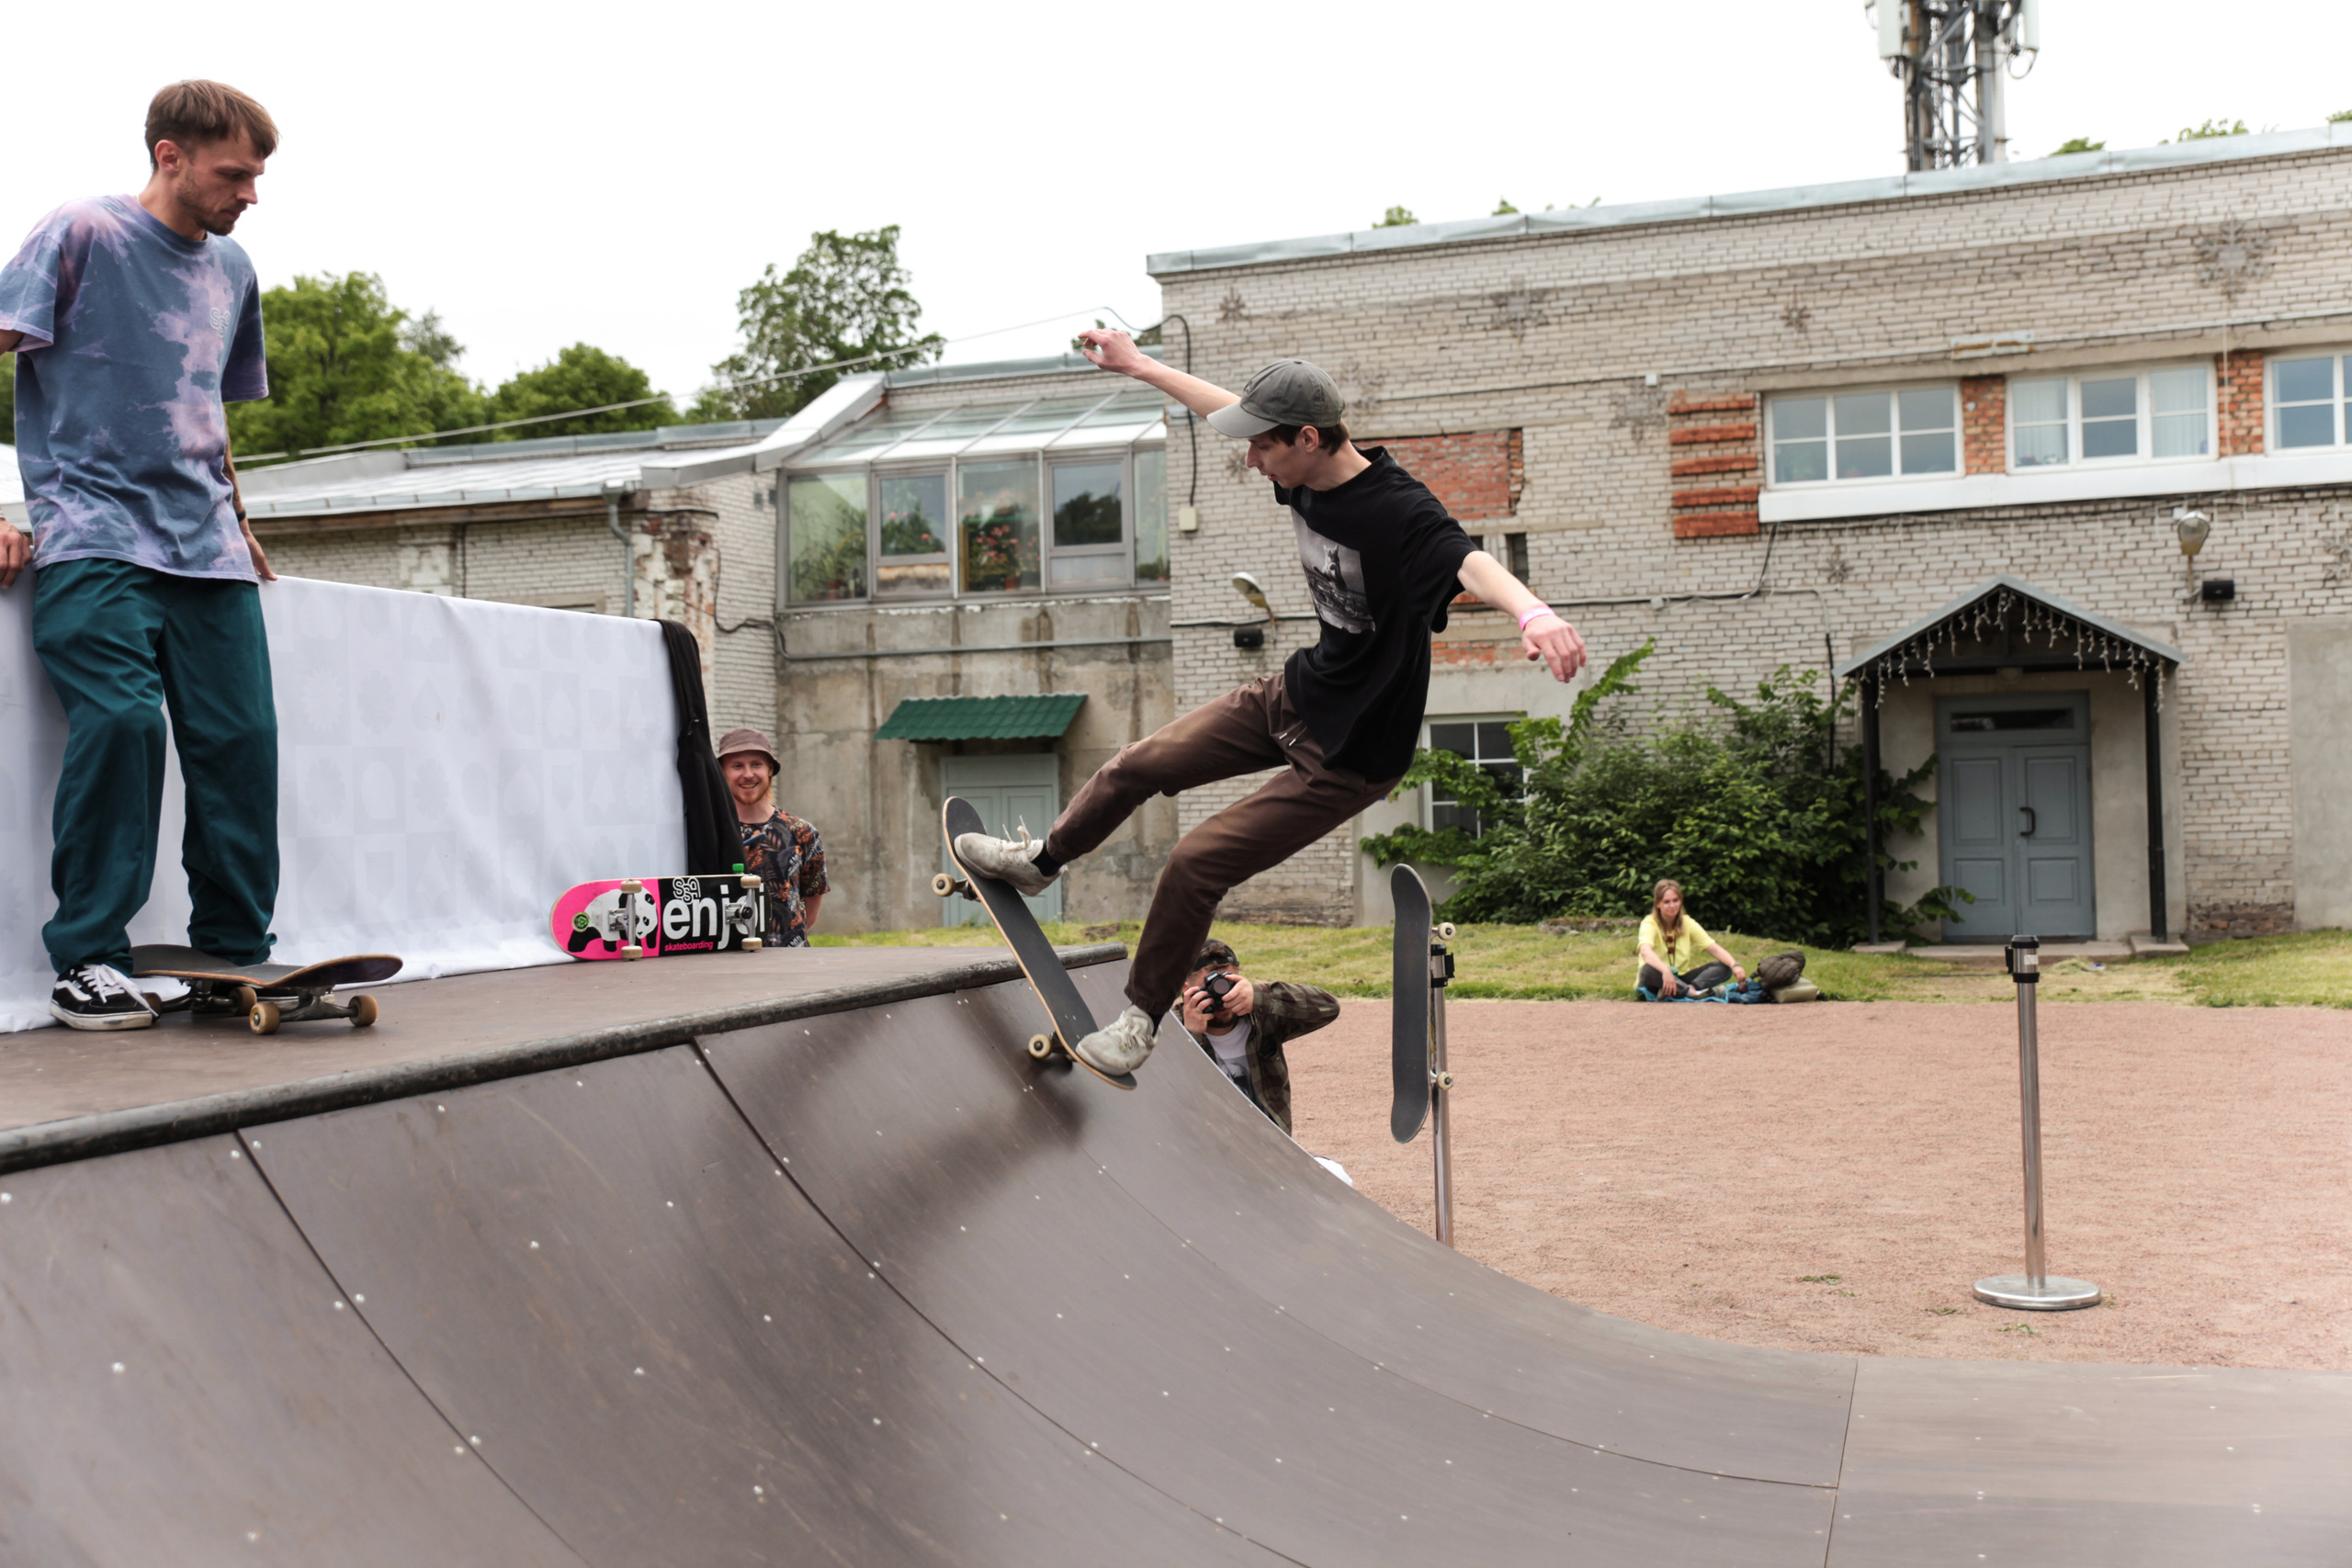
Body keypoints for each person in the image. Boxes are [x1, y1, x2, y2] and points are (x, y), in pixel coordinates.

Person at [956, 334, 1588, 1077]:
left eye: (1262, 449)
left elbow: (1467, 558)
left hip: (1350, 757)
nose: (1252, 462)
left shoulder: (1399, 512)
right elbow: (1227, 407)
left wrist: (1532, 613)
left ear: (1309, 439)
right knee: (1141, 762)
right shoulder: (1302, 469)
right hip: (1297, 692)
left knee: (1195, 862)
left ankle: (1138, 1021)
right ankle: (1042, 862)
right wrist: (1139, 366)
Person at [0, 82, 280, 1031]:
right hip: (93, 532)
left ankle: (236, 954)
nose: (250, 194)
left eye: (257, 176)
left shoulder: (233, 270)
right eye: (234, 173)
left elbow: (203, 407)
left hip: (206, 546)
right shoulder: (82, 232)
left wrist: (239, 518)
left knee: (241, 745)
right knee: (124, 721)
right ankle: (86, 957)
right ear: (170, 155)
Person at [1177, 938, 1340, 1134]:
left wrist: (1260, 995)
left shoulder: (1260, 1016)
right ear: (1187, 988)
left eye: (1228, 982)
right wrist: (1190, 1035)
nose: (1223, 994)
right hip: (1207, 1146)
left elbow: (1328, 1006)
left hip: (1269, 1147)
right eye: (1209, 984)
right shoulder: (1169, 1028)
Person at [718, 727, 828, 945]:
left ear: (770, 769)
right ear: (722, 772)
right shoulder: (709, 833)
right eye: (737, 766)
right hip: (725, 964)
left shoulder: (801, 831)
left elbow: (810, 910)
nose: (748, 774)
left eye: (756, 764)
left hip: (790, 965)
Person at [1635, 879, 1747, 999]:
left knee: (1725, 967)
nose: (1672, 906)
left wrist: (1734, 965)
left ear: (1681, 901)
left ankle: (1688, 989)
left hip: (1681, 979)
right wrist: (1665, 971)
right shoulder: (1649, 923)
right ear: (1658, 904)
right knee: (1647, 970)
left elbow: (1713, 948)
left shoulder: (1687, 923)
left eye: (1675, 900)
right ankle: (1691, 993)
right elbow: (1645, 951)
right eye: (1667, 902)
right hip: (1657, 978)